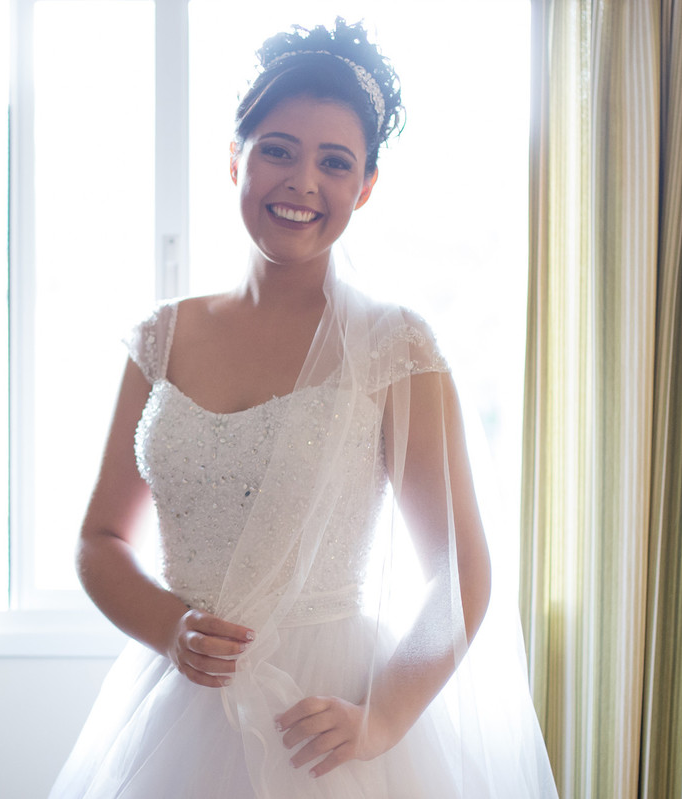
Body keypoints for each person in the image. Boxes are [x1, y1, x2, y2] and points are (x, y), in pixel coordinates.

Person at [49, 19, 558, 798]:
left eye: (336, 163)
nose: (303, 182)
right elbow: (100, 538)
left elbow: (460, 570)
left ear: (366, 186)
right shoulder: (160, 337)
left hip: (325, 719)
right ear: (236, 158)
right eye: (279, 151)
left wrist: (383, 718)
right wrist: (170, 628)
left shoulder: (395, 347)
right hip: (180, 704)